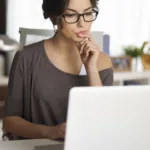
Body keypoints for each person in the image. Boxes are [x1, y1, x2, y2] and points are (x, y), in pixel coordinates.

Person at [3, 0, 113, 140]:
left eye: (88, 13)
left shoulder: (102, 61)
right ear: (54, 17)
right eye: (71, 15)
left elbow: (103, 123)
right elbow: (9, 122)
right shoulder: (26, 57)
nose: (82, 23)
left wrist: (91, 68)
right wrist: (50, 132)